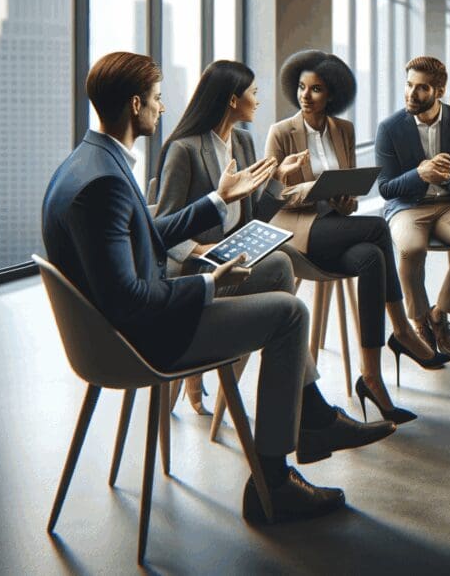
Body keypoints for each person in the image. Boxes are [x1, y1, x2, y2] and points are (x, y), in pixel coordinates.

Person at [43, 52, 395, 525]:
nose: (163, 107)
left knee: (277, 269)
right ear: (135, 105)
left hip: (124, 325)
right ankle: (276, 478)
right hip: (143, 338)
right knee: (290, 314)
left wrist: (219, 198)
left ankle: (312, 419)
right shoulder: (105, 183)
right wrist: (209, 282)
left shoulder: (91, 161)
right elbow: (131, 300)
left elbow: (148, 234)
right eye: (156, 98)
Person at [266, 50, 443, 424]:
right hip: (297, 232)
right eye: (301, 87)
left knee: (372, 257)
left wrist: (345, 200)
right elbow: (272, 195)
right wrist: (313, 190)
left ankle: (371, 376)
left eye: (316, 89)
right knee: (377, 228)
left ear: (332, 94)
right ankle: (402, 330)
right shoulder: (281, 132)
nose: (306, 96)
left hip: (335, 227)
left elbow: (348, 195)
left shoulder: (343, 130)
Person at [154, 60, 304, 416]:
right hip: (196, 272)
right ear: (233, 100)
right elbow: (162, 228)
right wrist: (202, 249)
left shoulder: (243, 141)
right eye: (253, 93)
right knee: (282, 270)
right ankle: (293, 398)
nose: (258, 100)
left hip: (234, 259)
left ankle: (255, 387)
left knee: (284, 261)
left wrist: (277, 179)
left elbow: (254, 219)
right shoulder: (184, 150)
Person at [374, 56, 450, 361]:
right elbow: (385, 188)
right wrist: (420, 174)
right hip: (407, 207)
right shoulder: (389, 128)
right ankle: (419, 321)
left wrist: (448, 177)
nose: (411, 94)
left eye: (421, 88)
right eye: (408, 85)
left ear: (439, 91)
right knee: (411, 249)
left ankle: (439, 314)